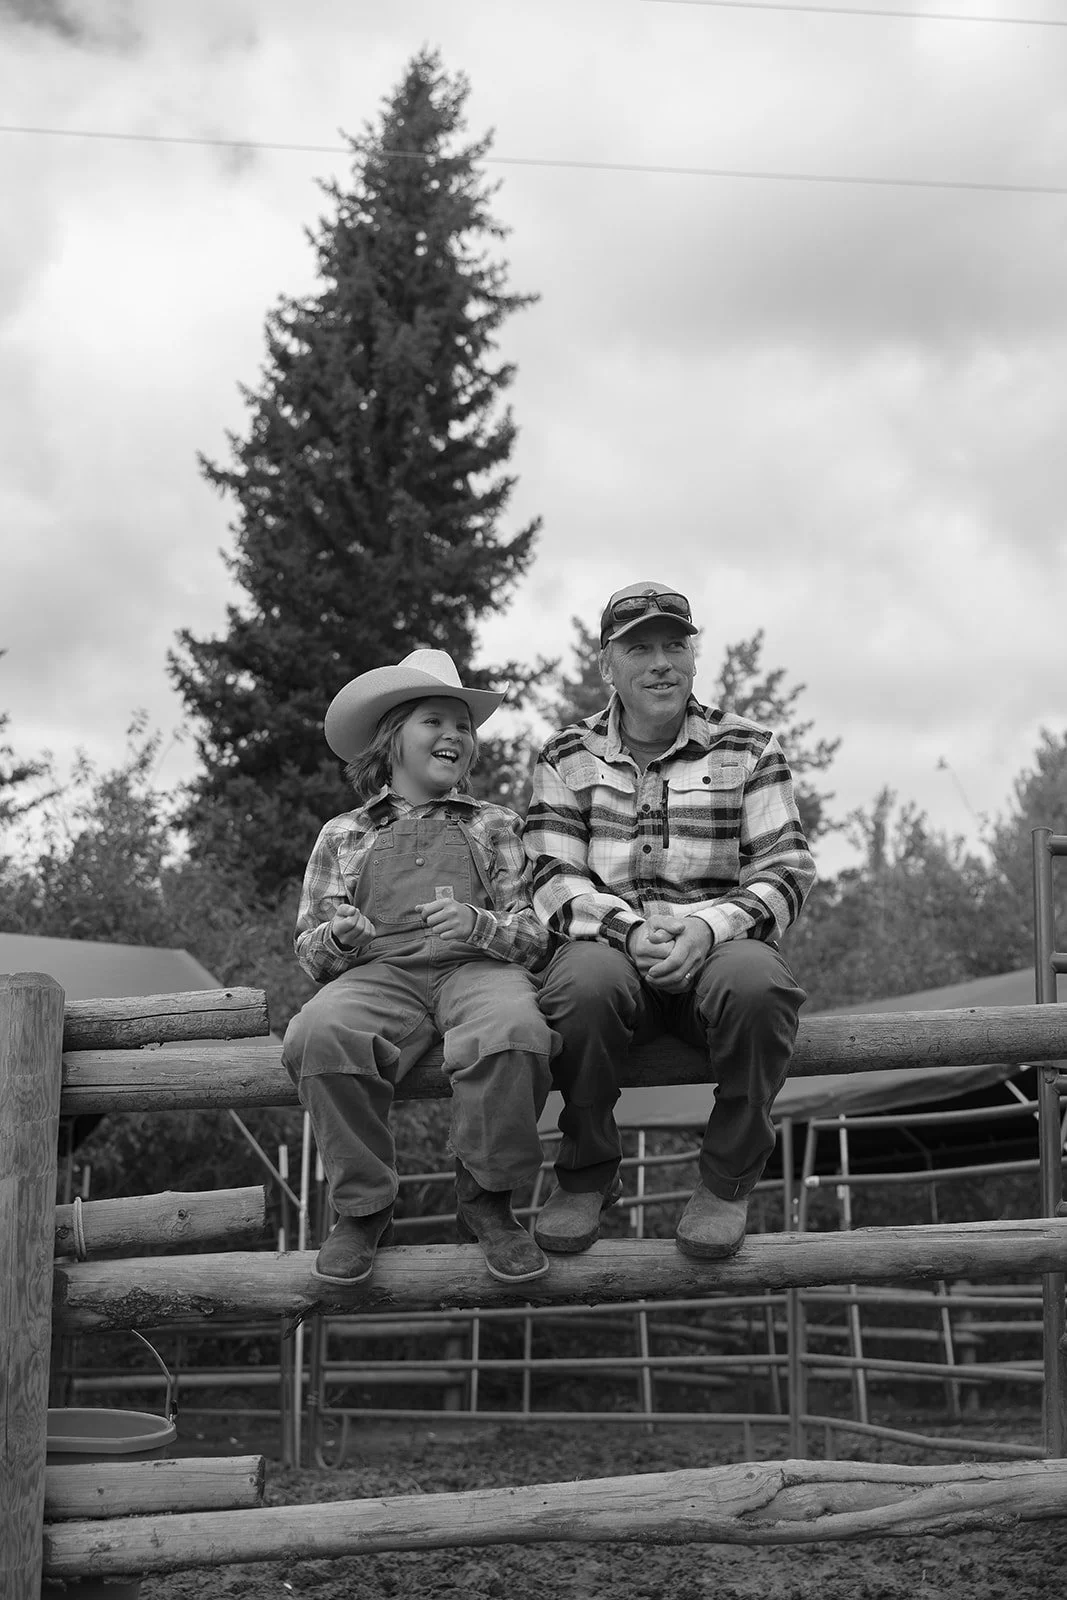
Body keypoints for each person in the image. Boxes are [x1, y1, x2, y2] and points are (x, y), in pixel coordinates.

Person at [524, 581, 814, 1260]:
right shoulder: (564, 756)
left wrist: (705, 929)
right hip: (609, 948)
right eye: (639, 648)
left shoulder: (748, 746)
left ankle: (726, 1179)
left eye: (673, 645)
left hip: (716, 948)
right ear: (606, 667)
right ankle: (586, 1172)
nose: (660, 662)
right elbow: (550, 876)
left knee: (758, 985)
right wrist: (629, 931)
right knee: (578, 987)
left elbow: (786, 868)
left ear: (692, 657)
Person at [282, 649, 556, 1287]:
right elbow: (310, 956)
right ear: (391, 738)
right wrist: (342, 936)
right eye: (435, 721)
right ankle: (363, 1207)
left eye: (463, 726)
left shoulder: (497, 825)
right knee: (316, 1035)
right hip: (379, 975)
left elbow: (539, 937)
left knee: (516, 1030)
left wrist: (478, 925)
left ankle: (488, 1198)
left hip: (478, 969)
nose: (454, 736)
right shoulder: (343, 834)